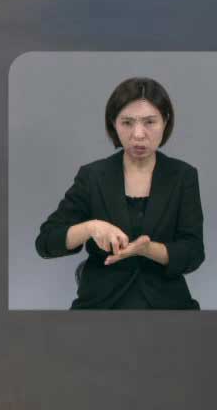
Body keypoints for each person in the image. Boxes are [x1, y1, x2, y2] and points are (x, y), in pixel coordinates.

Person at [34, 77, 204, 309]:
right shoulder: (92, 176)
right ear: (113, 123)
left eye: (149, 122)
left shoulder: (183, 176)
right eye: (127, 123)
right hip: (100, 305)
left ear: (165, 121)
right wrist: (91, 227)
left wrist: (148, 250)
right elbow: (45, 242)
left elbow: (194, 253)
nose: (138, 134)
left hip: (167, 304)